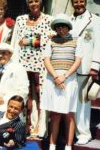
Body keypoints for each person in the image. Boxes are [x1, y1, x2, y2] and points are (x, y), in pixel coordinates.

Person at [10, 0, 54, 138]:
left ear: (40, 2)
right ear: (27, 4)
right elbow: (16, 42)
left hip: (41, 64)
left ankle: (40, 128)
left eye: (36, 1)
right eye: (31, 2)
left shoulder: (49, 19)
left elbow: (50, 39)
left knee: (41, 95)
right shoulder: (21, 20)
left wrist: (28, 40)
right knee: (25, 95)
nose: (34, 4)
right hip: (23, 62)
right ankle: (24, 126)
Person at [40, 14, 82, 150]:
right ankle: (52, 146)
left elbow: (77, 61)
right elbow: (47, 60)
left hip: (69, 80)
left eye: (63, 26)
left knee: (69, 114)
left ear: (68, 27)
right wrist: (56, 77)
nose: (60, 29)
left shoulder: (77, 40)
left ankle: (69, 147)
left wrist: (64, 75)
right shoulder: (50, 41)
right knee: (55, 114)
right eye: (58, 27)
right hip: (53, 79)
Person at [70, 0, 100, 145]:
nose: (78, 4)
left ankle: (84, 133)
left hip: (85, 67)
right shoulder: (68, 19)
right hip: (69, 67)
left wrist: (95, 66)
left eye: (81, 1)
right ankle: (72, 130)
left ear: (85, 2)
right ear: (73, 3)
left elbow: (99, 43)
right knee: (71, 101)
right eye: (76, 2)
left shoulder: (94, 20)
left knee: (83, 102)